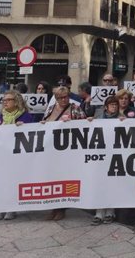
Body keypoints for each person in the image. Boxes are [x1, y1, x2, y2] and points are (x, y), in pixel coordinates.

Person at [41, 86, 85, 220]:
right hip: (53, 148)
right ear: (56, 98)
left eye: (66, 96)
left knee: (65, 177)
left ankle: (62, 208)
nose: (64, 99)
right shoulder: (50, 109)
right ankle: (54, 207)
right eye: (61, 97)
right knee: (53, 177)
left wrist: (71, 123)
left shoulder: (75, 108)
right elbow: (46, 122)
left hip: (68, 148)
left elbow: (84, 125)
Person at [0, 91, 34, 220]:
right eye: (3, 100)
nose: (5, 102)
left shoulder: (25, 116)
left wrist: (24, 127)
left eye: (8, 100)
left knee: (14, 181)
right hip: (1, 155)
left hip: (16, 155)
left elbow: (31, 132)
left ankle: (12, 208)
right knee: (0, 181)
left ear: (16, 102)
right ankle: (1, 207)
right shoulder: (0, 116)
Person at [90, 96, 122, 225]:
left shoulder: (122, 118)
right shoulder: (98, 117)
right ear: (106, 107)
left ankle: (110, 211)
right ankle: (99, 212)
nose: (114, 107)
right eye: (111, 104)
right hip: (100, 155)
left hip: (115, 155)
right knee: (99, 183)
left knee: (112, 183)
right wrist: (89, 121)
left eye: (115, 104)